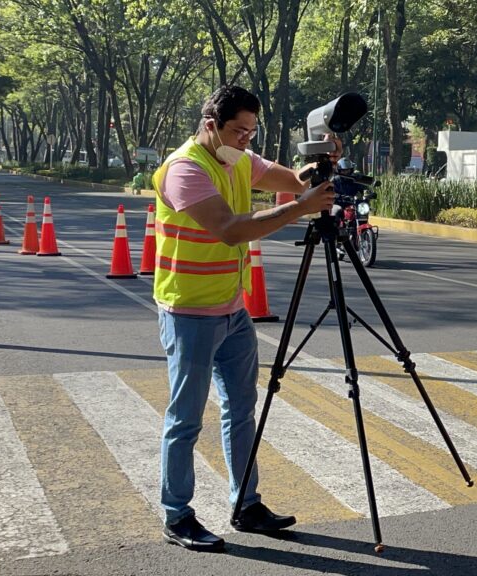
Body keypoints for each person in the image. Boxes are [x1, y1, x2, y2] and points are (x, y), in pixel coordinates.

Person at [152, 85, 337, 552]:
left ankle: (246, 504)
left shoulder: (238, 158)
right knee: (186, 419)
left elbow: (288, 178)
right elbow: (231, 230)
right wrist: (300, 208)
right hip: (190, 311)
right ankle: (178, 515)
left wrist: (312, 173)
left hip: (233, 310)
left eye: (252, 132)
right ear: (210, 123)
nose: (246, 141)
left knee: (241, 411)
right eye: (239, 131)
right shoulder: (184, 170)